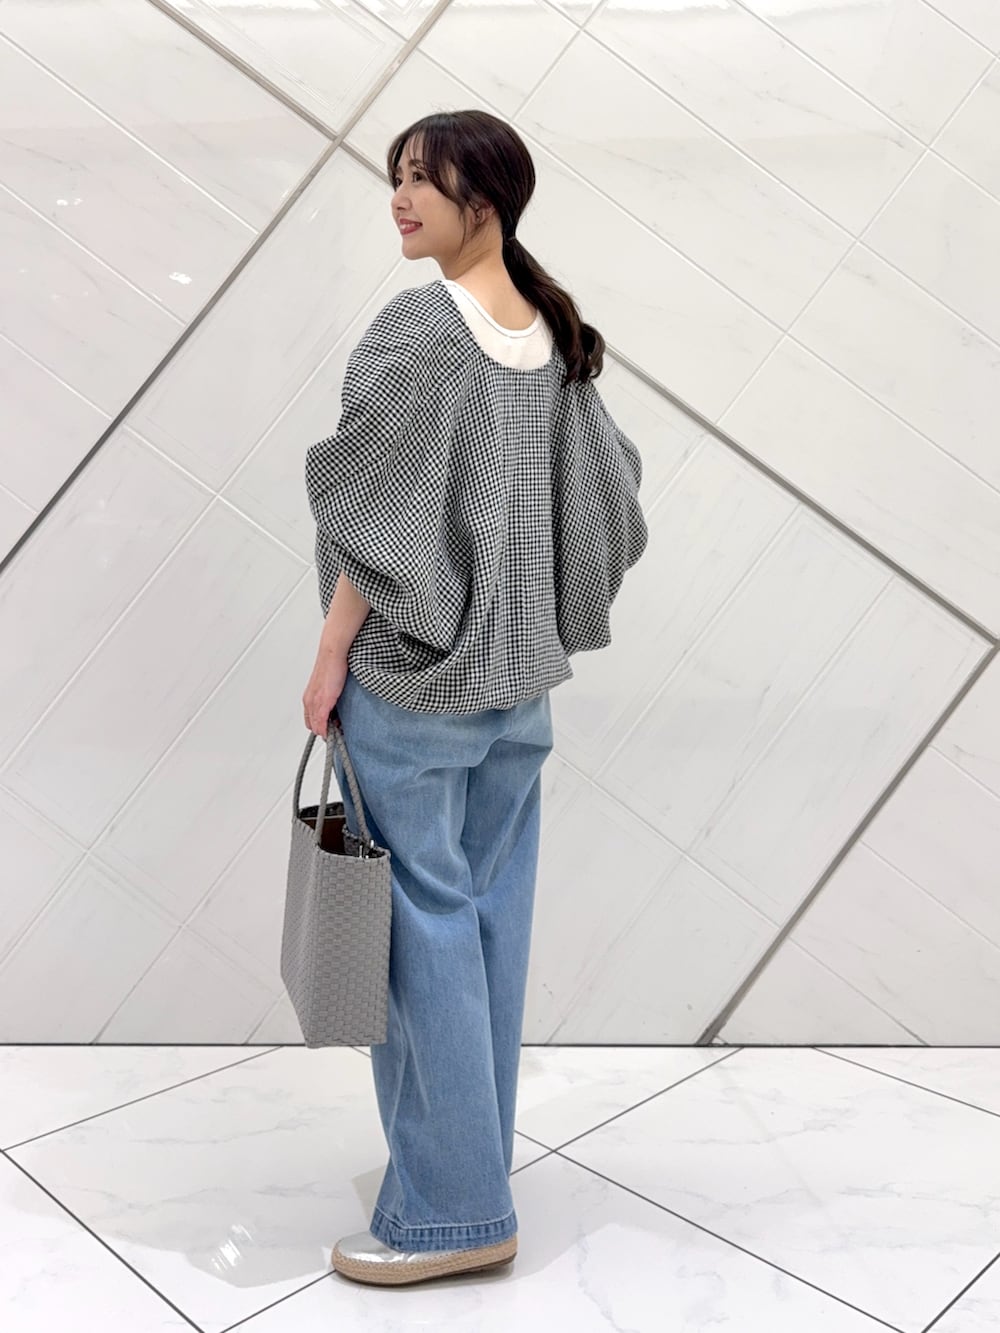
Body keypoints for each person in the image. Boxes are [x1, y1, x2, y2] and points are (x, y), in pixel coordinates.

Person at [300, 109, 649, 1287]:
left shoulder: (423, 327)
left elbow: (374, 517)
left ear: (482, 199)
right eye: (394, 176)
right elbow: (610, 498)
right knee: (486, 928)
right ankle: (469, 1170)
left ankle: (450, 1213)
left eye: (421, 179)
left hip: (415, 682)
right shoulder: (547, 332)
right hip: (517, 688)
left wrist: (330, 656)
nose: (398, 198)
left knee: (423, 943)